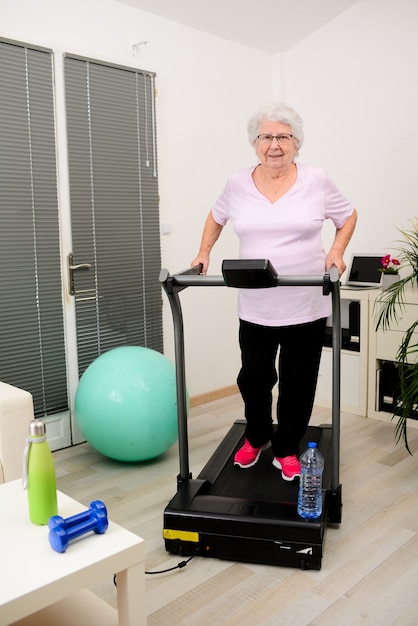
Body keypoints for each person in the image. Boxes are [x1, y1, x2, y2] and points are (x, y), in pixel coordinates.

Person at [191, 103, 357, 482]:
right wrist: (204, 253)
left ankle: (285, 447)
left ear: (296, 143)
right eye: (266, 137)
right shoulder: (237, 183)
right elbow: (216, 216)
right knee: (254, 378)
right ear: (255, 143)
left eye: (283, 137)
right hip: (256, 305)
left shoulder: (317, 179)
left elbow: (347, 216)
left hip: (305, 305)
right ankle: (257, 433)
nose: (274, 145)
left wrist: (335, 252)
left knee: (298, 383)